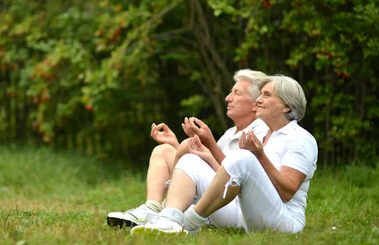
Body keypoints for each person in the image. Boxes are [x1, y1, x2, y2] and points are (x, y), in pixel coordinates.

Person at [131, 75, 318, 236]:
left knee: (244, 157)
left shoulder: (300, 139)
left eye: (266, 95)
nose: (258, 100)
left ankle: (189, 222)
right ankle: (168, 219)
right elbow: (233, 171)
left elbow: (286, 192)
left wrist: (259, 155)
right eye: (260, 94)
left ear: (286, 106)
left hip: (284, 221)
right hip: (243, 214)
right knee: (191, 159)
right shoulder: (261, 134)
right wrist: (206, 151)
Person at [106, 69, 269, 228]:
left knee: (187, 150)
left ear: (256, 103)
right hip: (212, 195)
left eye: (237, 93)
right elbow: (207, 169)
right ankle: (152, 207)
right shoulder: (230, 133)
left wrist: (209, 146)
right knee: (164, 150)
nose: (227, 98)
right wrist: (177, 146)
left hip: (230, 206)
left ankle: (167, 212)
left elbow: (240, 180)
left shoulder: (262, 133)